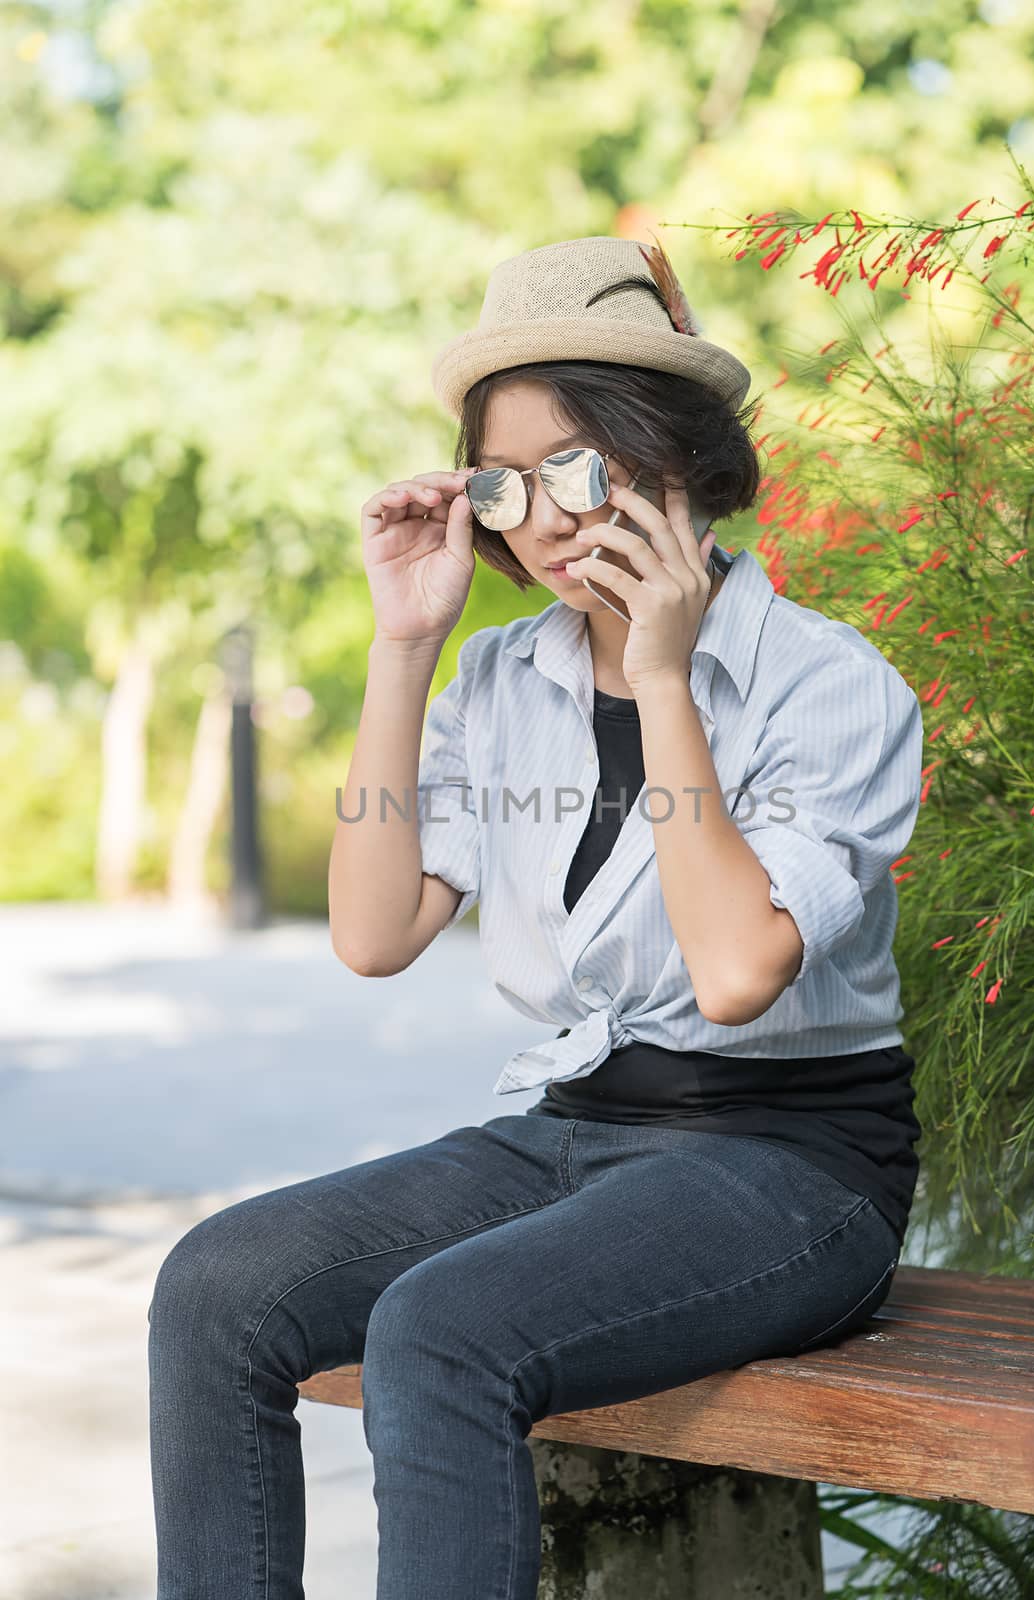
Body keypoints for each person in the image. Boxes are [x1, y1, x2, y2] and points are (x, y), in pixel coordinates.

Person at [147, 235, 924, 1599]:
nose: (546, 517)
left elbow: (739, 973)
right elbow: (374, 933)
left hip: (790, 1166)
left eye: (579, 465)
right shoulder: (500, 679)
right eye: (506, 485)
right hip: (568, 1130)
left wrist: (667, 679)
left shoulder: (828, 686)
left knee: (442, 1330)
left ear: (673, 451)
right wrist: (404, 643)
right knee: (218, 1289)